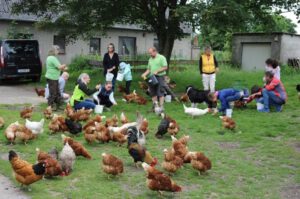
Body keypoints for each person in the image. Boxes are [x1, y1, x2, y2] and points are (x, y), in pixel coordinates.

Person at [141, 47, 168, 112]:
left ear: (155, 51)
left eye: (151, 53)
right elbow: (149, 69)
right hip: (152, 78)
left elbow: (165, 67)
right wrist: (144, 74)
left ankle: (161, 108)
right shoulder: (150, 59)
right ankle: (155, 108)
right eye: (149, 53)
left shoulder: (161, 58)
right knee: (152, 93)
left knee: (160, 92)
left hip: (160, 77)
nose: (150, 54)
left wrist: (158, 71)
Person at [45, 45, 67, 110]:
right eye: (57, 50)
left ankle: (59, 105)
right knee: (53, 93)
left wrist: (62, 68)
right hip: (52, 78)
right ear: (53, 51)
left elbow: (57, 67)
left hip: (53, 77)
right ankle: (50, 106)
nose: (58, 51)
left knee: (57, 92)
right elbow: (59, 67)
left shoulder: (49, 57)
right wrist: (64, 65)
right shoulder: (52, 58)